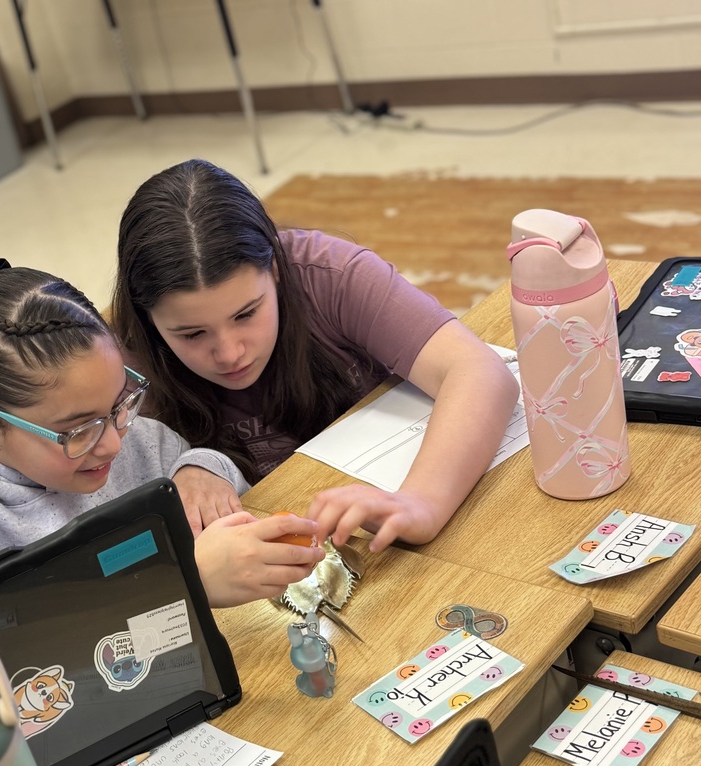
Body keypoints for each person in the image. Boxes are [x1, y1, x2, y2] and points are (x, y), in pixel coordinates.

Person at [0, 257, 324, 611]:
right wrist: (184, 580)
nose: (113, 443)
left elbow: (173, 456)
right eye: (78, 430)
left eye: (120, 403)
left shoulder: (106, 428)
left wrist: (202, 469)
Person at [111, 159, 520, 554]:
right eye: (191, 334)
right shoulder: (120, 360)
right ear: (147, 319)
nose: (230, 353)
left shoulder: (330, 273)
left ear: (275, 268)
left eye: (247, 314)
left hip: (392, 524)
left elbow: (479, 371)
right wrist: (192, 465)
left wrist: (420, 503)